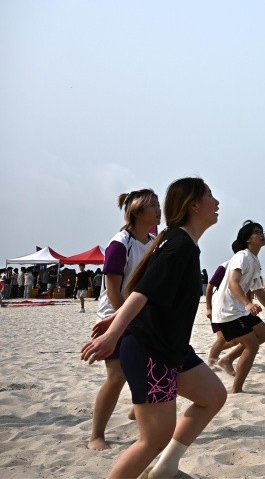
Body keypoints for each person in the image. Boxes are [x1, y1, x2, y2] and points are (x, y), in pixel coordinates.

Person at [81, 178, 226, 478]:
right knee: (153, 439)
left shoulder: (176, 241)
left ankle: (165, 468)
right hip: (150, 350)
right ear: (193, 205)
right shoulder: (178, 244)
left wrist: (117, 320)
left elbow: (146, 289)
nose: (217, 202)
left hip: (171, 347)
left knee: (213, 395)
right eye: (210, 195)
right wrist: (113, 332)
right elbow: (141, 292)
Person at [89, 188, 160, 451]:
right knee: (116, 376)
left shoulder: (152, 241)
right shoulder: (120, 243)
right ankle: (96, 435)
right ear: (137, 212)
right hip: (113, 317)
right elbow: (113, 291)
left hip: (138, 315)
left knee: (152, 368)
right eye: (153, 205)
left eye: (158, 204)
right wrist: (125, 321)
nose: (159, 209)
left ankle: (136, 410)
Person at [211, 221, 265, 393]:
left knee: (264, 333)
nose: (261, 234)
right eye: (257, 232)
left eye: (262, 231)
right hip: (228, 310)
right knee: (252, 346)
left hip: (239, 309)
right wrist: (248, 303)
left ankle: (227, 359)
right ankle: (236, 389)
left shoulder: (255, 260)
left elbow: (258, 290)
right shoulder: (242, 256)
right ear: (248, 239)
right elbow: (232, 283)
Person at [204, 260, 233, 367]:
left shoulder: (248, 264)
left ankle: (214, 352)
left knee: (236, 339)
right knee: (222, 338)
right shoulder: (225, 266)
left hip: (233, 307)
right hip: (218, 305)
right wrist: (208, 308)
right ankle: (211, 363)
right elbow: (210, 286)